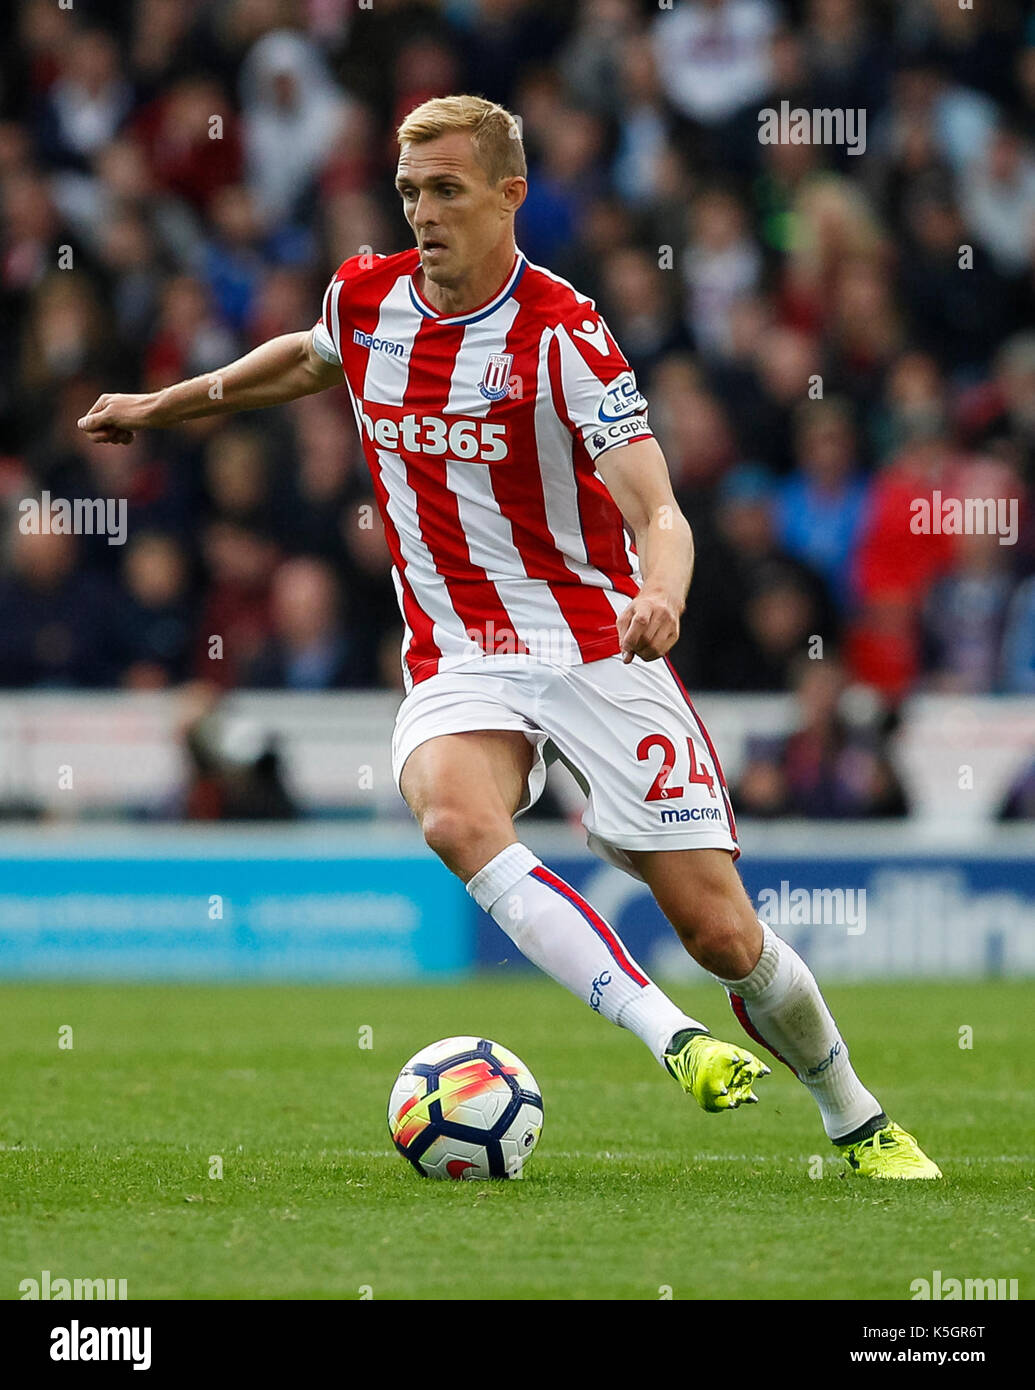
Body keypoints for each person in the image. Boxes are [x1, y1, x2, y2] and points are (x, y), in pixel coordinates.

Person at [78, 95, 939, 1179]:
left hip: (596, 641)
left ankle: (854, 1112)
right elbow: (306, 358)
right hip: (459, 653)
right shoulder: (368, 300)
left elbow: (659, 512)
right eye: (408, 193)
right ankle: (667, 1035)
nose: (422, 214)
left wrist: (660, 595)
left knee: (723, 934)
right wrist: (164, 406)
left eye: (445, 190)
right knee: (450, 811)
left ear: (508, 196)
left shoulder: (566, 334)